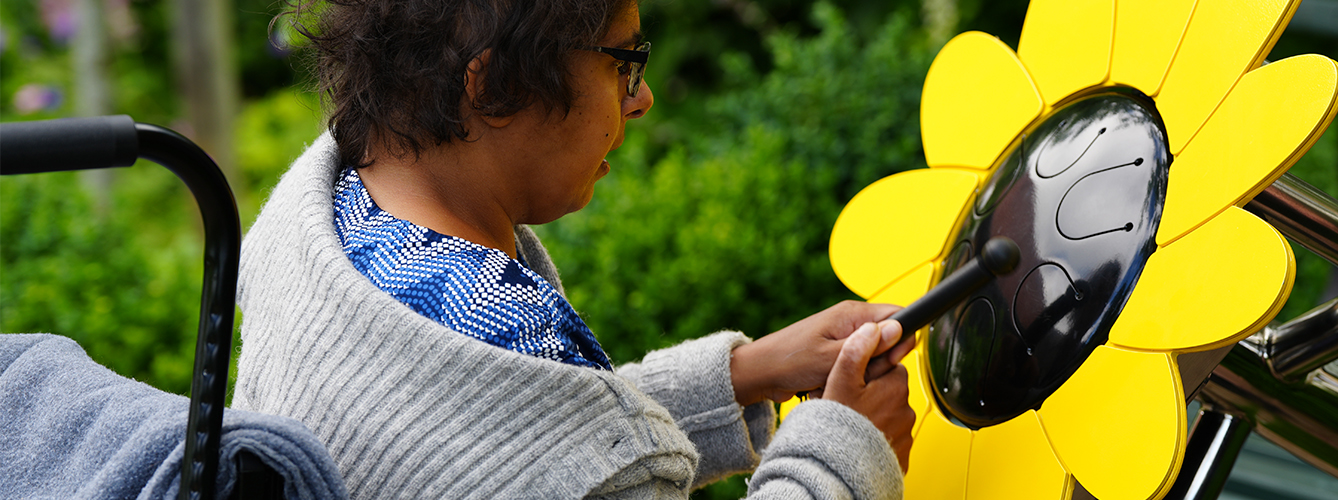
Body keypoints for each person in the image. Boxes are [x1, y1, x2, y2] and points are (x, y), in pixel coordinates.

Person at [232, 0, 916, 498]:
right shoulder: (508, 328)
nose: (641, 98)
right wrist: (847, 447)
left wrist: (744, 373)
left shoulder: (335, 217)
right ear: (493, 85)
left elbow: (501, 457)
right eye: (624, 63)